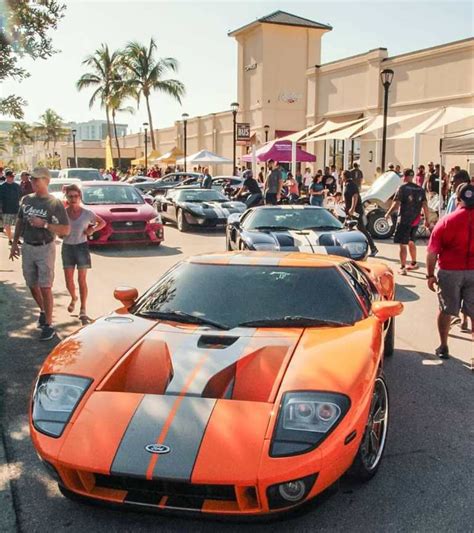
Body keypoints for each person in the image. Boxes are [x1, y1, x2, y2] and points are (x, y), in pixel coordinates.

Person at [9, 167, 70, 341]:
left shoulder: (54, 203)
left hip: (45, 247)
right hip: (28, 246)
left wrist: (44, 224)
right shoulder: (27, 200)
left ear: (47, 181)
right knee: (32, 284)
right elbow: (20, 220)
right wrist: (14, 243)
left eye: (37, 179)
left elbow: (65, 229)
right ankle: (43, 311)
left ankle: (49, 325)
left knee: (45, 286)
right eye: (32, 179)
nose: (33, 182)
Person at [426, 183, 474, 358]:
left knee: (446, 309)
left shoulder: (446, 221)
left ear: (458, 199)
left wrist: (430, 275)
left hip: (450, 271)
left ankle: (444, 346)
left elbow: (432, 253)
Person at [62, 184, 106, 325]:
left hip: (81, 247)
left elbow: (102, 222)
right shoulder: (63, 213)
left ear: (80, 197)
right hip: (68, 247)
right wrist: (59, 233)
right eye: (70, 196)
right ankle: (74, 297)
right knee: (69, 281)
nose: (73, 198)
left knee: (82, 280)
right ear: (67, 198)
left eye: (76, 196)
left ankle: (83, 308)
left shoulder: (87, 213)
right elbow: (57, 227)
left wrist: (92, 230)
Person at [385, 169, 430, 275]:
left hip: (404, 220)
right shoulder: (420, 189)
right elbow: (425, 205)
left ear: (404, 177)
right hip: (415, 220)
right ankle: (414, 263)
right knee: (411, 241)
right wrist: (427, 219)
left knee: (403, 244)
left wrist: (387, 214)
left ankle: (403, 267)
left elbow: (396, 204)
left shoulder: (402, 188)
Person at [343, 170, 378, 256]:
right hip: (351, 212)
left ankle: (373, 248)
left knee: (361, 228)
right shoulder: (348, 184)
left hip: (355, 212)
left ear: (344, 176)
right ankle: (349, 248)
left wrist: (352, 208)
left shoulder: (351, 185)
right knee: (347, 228)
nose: (341, 177)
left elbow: (355, 196)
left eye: (341, 176)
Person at [0, 169, 22, 245]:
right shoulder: (2, 186)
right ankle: (10, 239)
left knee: (18, 226)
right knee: (7, 225)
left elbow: (20, 196)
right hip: (6, 209)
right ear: (6, 177)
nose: (12, 177)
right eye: (10, 176)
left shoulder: (16, 186)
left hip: (16, 208)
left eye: (13, 176)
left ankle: (17, 239)